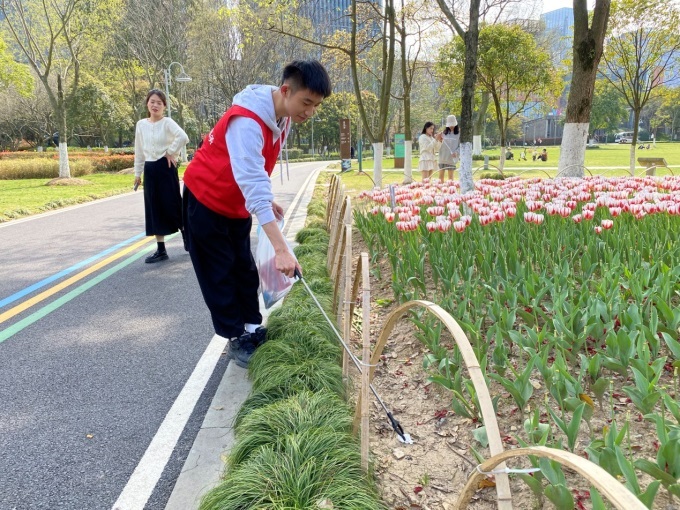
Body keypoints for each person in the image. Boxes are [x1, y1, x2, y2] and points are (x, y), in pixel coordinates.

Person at [182, 60, 332, 368]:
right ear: (286, 90)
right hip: (206, 198)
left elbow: (258, 172)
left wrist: (268, 200)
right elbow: (251, 180)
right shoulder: (247, 121)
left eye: (316, 106)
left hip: (235, 202)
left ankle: (252, 328)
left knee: (244, 269)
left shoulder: (282, 117)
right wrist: (281, 249)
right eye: (306, 102)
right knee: (220, 273)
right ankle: (236, 338)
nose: (310, 112)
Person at [133, 89, 189, 263]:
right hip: (150, 169)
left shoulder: (167, 122)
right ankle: (161, 250)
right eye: (152, 102)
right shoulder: (141, 125)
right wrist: (137, 173)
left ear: (164, 106)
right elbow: (139, 150)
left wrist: (170, 152)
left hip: (166, 167)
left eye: (159, 102)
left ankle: (187, 237)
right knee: (154, 208)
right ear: (147, 104)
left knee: (173, 204)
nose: (155, 105)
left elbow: (183, 137)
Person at [437, 115, 460, 182]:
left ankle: (451, 188)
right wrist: (439, 139)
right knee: (440, 177)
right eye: (450, 125)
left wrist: (456, 152)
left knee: (450, 177)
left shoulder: (459, 134)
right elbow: (439, 144)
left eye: (453, 125)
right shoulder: (443, 133)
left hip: (452, 158)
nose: (451, 127)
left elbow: (461, 146)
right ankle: (440, 188)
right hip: (442, 157)